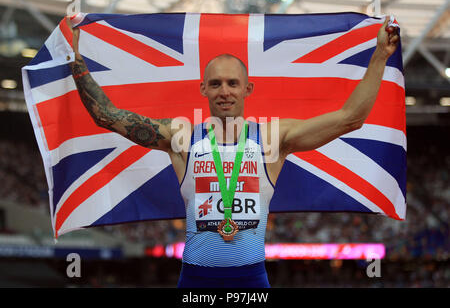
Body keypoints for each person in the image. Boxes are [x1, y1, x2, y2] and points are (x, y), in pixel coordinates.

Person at [67, 16, 399, 288]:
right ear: (203, 89)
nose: (224, 91)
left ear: (247, 88)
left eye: (232, 83)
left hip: (252, 280)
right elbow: (106, 116)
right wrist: (76, 60)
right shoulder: (182, 136)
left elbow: (350, 119)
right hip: (195, 281)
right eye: (215, 84)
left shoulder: (272, 138)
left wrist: (379, 57)